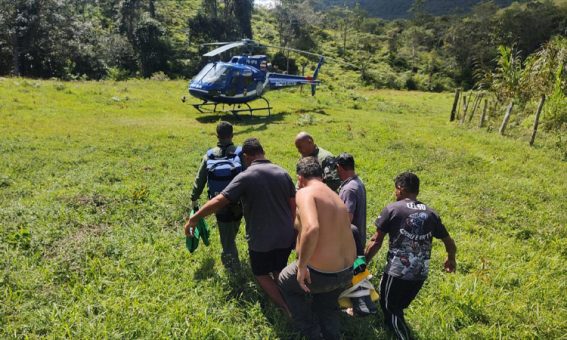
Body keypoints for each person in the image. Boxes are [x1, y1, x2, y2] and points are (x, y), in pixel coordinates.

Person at [185, 138, 296, 315]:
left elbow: (220, 200)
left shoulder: (245, 177)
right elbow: (293, 206)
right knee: (278, 269)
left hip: (261, 238)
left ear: (246, 156)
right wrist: (294, 231)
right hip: (285, 235)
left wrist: (195, 218)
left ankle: (287, 308)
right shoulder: (283, 173)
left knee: (260, 273)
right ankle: (293, 298)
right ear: (262, 151)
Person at [365, 172, 457, 340]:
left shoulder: (393, 209)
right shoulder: (431, 213)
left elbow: (376, 241)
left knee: (389, 307)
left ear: (400, 189)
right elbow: (449, 241)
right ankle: (392, 329)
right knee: (397, 308)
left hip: (398, 271)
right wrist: (451, 258)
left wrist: (363, 262)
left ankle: (402, 336)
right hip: (420, 272)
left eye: (396, 190)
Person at [278, 157, 356, 340]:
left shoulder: (305, 193)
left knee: (284, 280)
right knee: (327, 300)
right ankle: (331, 334)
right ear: (321, 176)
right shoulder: (334, 195)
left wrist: (302, 266)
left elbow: (311, 228)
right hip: (347, 271)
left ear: (300, 178)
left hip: (322, 274)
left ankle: (310, 331)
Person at [190, 121, 243, 272]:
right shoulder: (240, 153)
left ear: (217, 135)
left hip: (218, 202)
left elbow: (200, 180)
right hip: (238, 203)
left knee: (227, 238)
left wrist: (194, 198)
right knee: (231, 233)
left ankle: (233, 270)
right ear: (232, 135)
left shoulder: (209, 155)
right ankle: (233, 265)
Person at [336, 153, 367, 256]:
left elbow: (347, 219)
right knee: (358, 271)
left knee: (352, 271)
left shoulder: (349, 189)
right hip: (357, 241)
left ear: (339, 167)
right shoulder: (358, 182)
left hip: (349, 244)